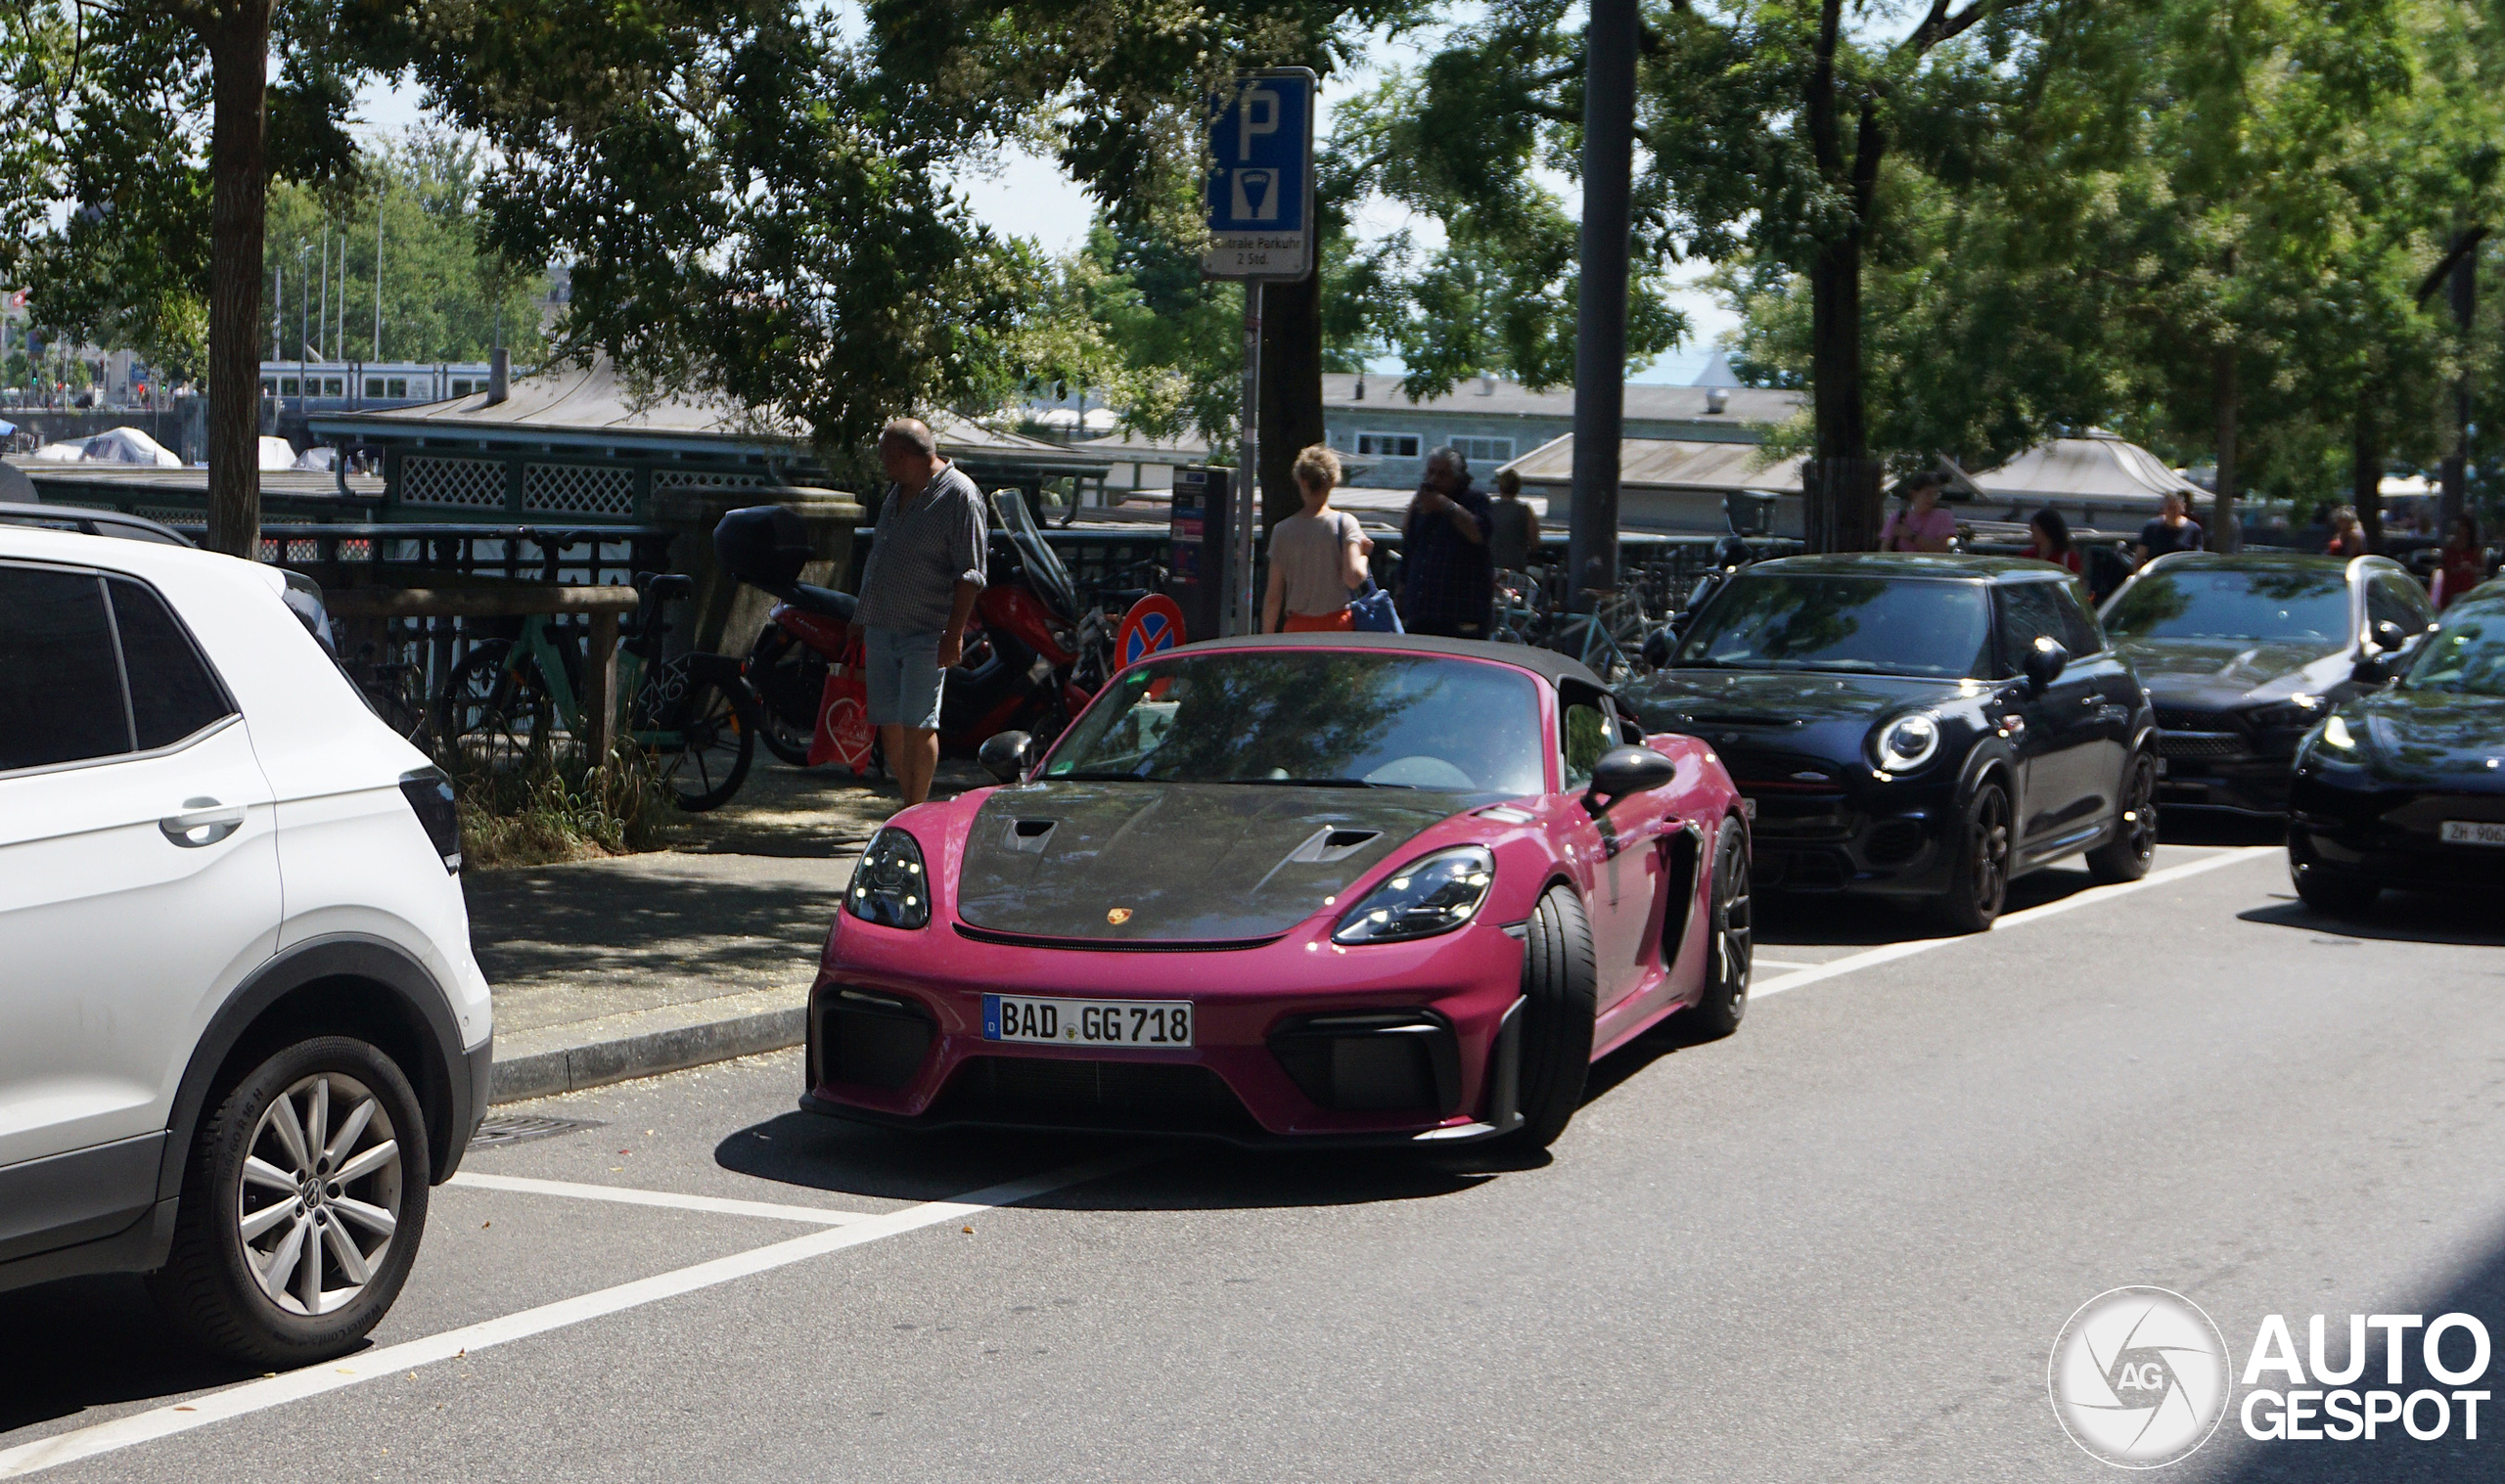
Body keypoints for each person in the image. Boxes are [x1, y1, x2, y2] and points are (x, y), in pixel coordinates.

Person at [846, 417, 985, 808]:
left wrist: (954, 633)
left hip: (927, 629)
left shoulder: (961, 495)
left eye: (887, 459)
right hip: (883, 625)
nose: (884, 467)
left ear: (905, 456)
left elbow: (971, 573)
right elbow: (879, 556)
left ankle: (916, 808)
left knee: (918, 722)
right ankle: (908, 802)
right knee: (889, 722)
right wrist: (861, 615)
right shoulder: (899, 492)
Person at [1262, 444, 1373, 633]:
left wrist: (1266, 638)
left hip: (1298, 626)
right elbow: (1353, 578)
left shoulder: (1282, 531)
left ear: (1301, 481)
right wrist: (1364, 556)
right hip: (1338, 625)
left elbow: (1274, 595)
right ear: (1333, 481)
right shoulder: (1345, 523)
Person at [1400, 446, 1493, 638]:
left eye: (1442, 474)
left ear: (1457, 478)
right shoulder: (1422, 506)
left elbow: (1478, 533)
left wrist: (1445, 505)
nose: (1434, 479)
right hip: (1421, 613)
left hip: (1460, 615)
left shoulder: (1476, 500)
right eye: (1431, 472)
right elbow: (1409, 548)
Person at [1878, 472, 1956, 553]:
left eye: (1936, 494)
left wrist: (1911, 535)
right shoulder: (1898, 517)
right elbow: (1884, 549)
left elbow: (1942, 549)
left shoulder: (1944, 516)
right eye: (1928, 494)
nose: (1933, 498)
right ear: (1914, 494)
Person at [1487, 468, 1541, 573]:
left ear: (1500, 487)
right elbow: (1535, 543)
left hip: (1491, 568)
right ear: (1518, 488)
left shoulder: (1489, 508)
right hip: (1516, 568)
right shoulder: (1524, 510)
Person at [2135, 489, 2205, 564]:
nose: (2172, 511)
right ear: (2163, 509)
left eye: (2175, 508)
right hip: (2158, 572)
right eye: (2169, 508)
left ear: (2183, 508)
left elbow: (2198, 558)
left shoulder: (2194, 529)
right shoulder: (2151, 527)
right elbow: (2139, 556)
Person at [2437, 512, 2487, 609]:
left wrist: (2470, 568)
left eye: (2463, 527)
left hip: (2467, 590)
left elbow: (2483, 570)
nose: (2461, 530)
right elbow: (2445, 567)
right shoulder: (2450, 548)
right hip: (2451, 590)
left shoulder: (2474, 550)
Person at [2025, 507, 2083, 574]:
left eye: (2035, 527)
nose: (2032, 531)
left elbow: (2078, 582)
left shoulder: (2068, 558)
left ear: (2047, 529)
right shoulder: (2027, 556)